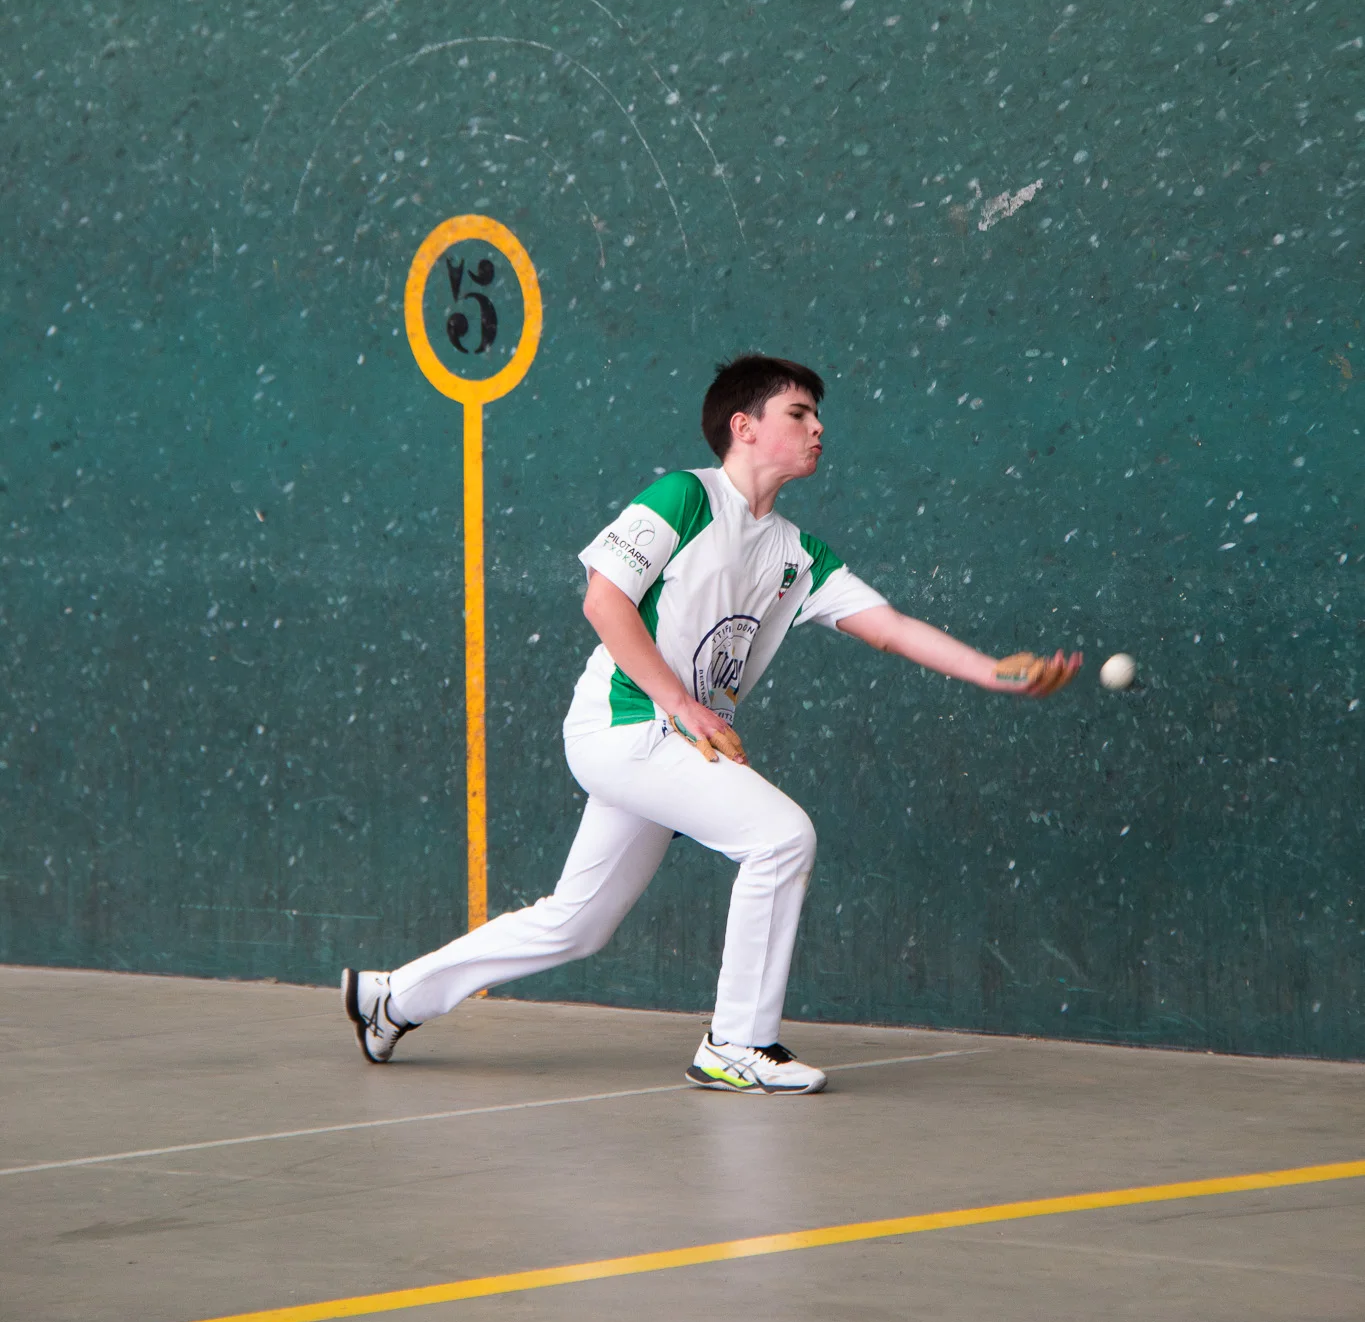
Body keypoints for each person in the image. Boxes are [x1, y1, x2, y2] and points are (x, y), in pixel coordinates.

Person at [343, 354, 1079, 1094]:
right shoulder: (684, 497)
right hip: (624, 727)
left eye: (818, 417)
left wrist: (992, 671)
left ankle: (390, 997)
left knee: (577, 922)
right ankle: (737, 1044)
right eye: (798, 414)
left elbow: (888, 627)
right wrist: (680, 703)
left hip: (674, 740)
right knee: (781, 838)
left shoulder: (798, 555)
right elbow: (604, 600)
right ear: (744, 426)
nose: (818, 429)